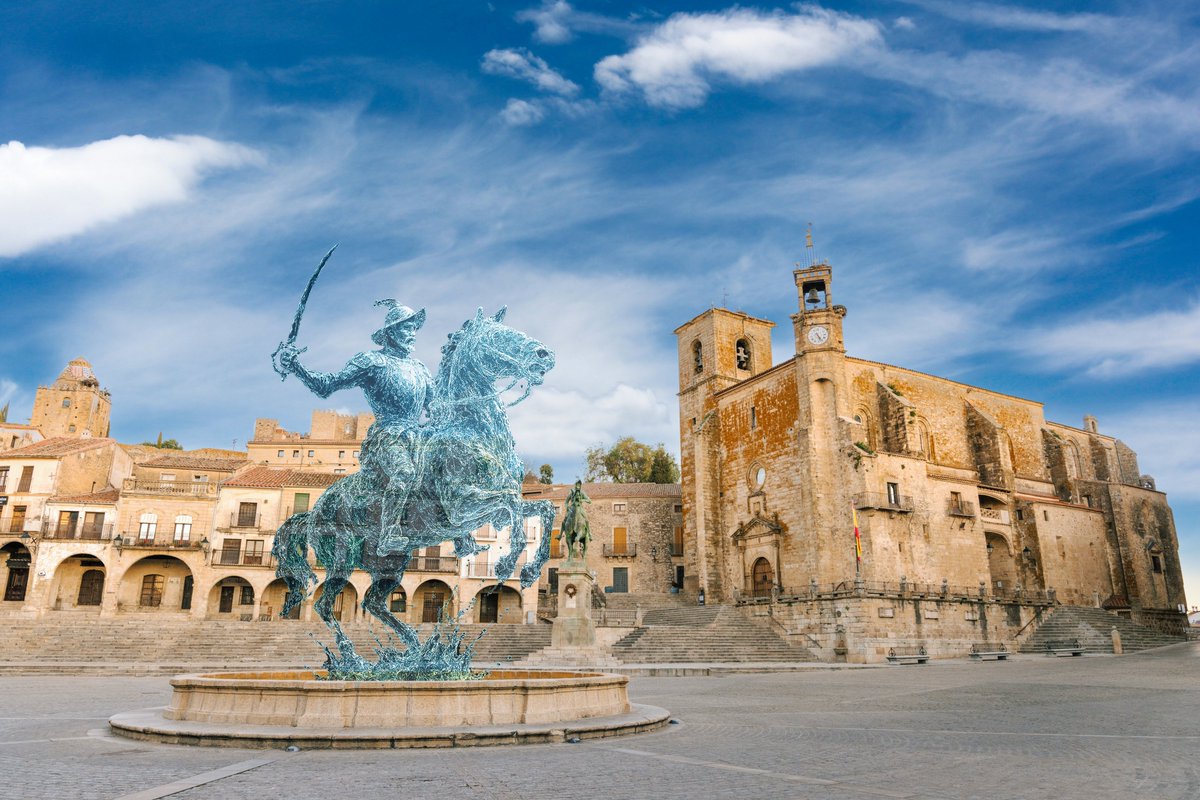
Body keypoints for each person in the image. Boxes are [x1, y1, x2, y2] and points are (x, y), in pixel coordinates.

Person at [275, 299, 432, 555]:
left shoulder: (421, 369)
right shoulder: (371, 361)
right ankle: (390, 531)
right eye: (406, 328)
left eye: (415, 328)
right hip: (388, 435)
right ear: (390, 332)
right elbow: (327, 386)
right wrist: (297, 367)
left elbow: (436, 407)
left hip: (418, 437)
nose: (412, 333)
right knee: (403, 473)